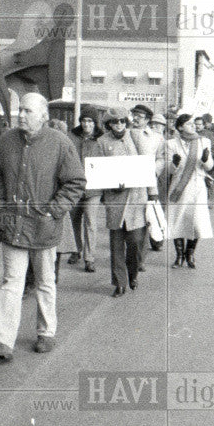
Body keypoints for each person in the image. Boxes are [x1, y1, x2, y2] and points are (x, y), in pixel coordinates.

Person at [0, 92, 85, 360]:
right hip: (13, 224)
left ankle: (46, 333)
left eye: (27, 111)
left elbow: (75, 182)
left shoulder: (60, 143)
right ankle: (1, 340)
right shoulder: (7, 140)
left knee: (45, 282)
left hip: (43, 226)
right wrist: (0, 203)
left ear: (44, 116)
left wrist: (54, 211)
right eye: (19, 111)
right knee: (11, 282)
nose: (21, 116)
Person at [94, 107, 150, 296]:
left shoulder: (136, 137)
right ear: (109, 124)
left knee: (134, 241)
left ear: (126, 122)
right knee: (116, 243)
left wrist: (152, 194)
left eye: (122, 121)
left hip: (136, 197)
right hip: (115, 198)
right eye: (114, 122)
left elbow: (146, 166)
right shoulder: (102, 142)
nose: (119, 125)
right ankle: (119, 282)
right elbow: (97, 171)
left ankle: (132, 273)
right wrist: (111, 185)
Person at [165, 114, 213, 268]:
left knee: (197, 222)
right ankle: (179, 256)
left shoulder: (204, 141)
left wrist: (205, 159)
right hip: (179, 186)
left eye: (194, 124)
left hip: (198, 187)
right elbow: (169, 170)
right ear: (180, 127)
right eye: (188, 124)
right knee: (177, 220)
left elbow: (209, 166)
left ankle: (190, 254)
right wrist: (174, 163)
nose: (193, 126)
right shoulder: (171, 144)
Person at [68, 106, 103, 273]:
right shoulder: (71, 137)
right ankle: (76, 250)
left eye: (90, 121)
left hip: (93, 189)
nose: (86, 124)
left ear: (95, 123)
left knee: (90, 222)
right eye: (83, 120)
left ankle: (90, 258)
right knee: (74, 221)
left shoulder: (101, 139)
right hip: (75, 187)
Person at [130, 103, 166, 256]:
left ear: (147, 120)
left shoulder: (156, 138)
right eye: (134, 115)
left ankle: (140, 258)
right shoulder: (125, 133)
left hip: (147, 185)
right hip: (127, 184)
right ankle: (131, 257)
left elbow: (161, 159)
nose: (136, 119)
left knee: (146, 220)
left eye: (140, 116)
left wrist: (153, 170)